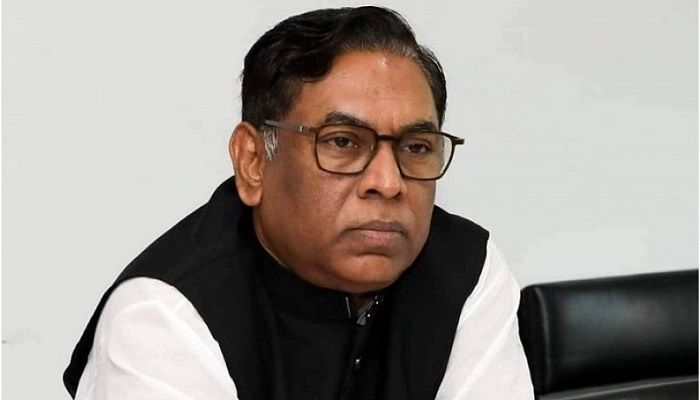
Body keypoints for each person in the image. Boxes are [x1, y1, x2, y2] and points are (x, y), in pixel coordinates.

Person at [64, 6, 534, 399]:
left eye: (415, 147)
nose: (388, 183)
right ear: (253, 161)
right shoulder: (166, 315)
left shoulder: (466, 270)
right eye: (343, 142)